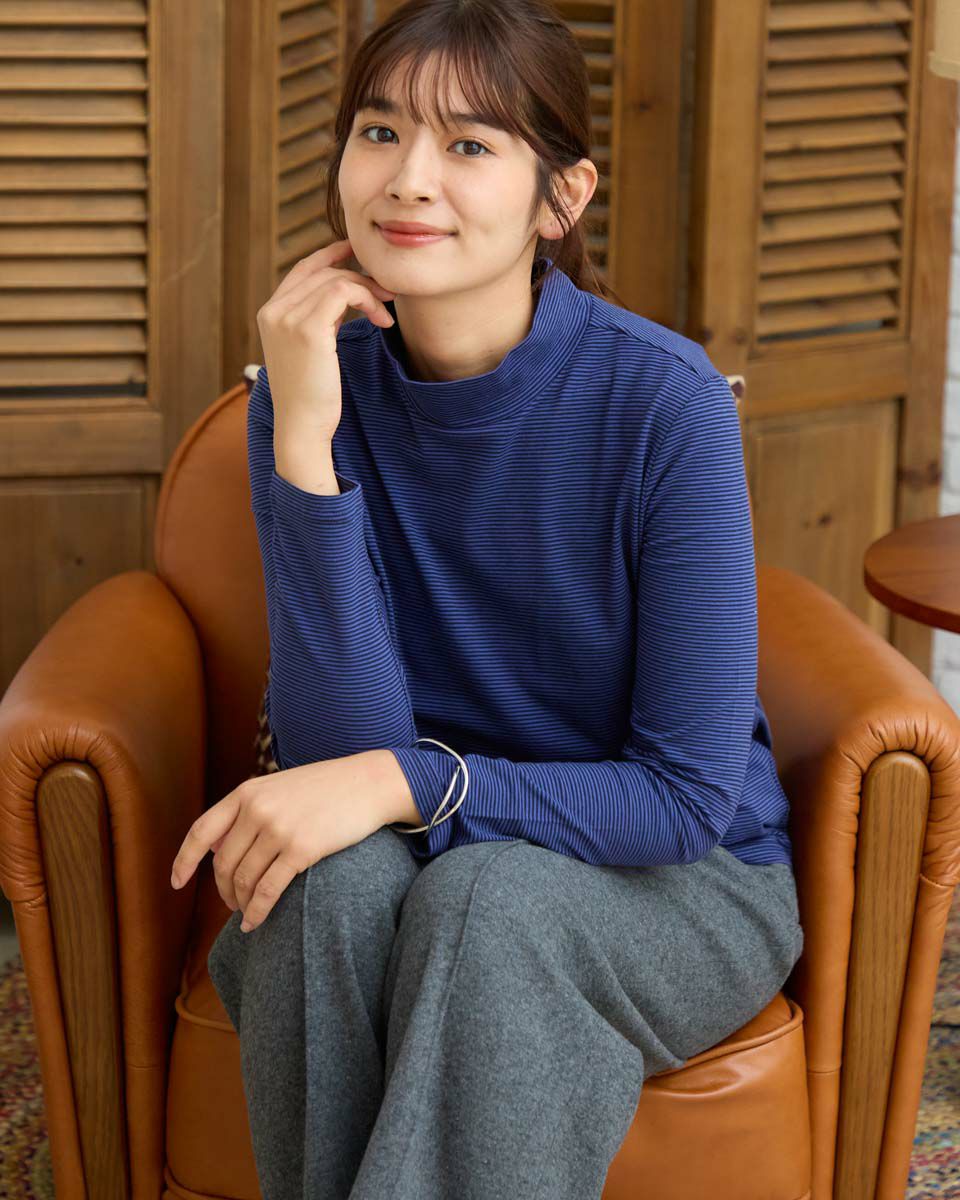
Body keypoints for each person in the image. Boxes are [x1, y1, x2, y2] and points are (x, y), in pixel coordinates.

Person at [202, 1, 804, 1196]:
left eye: (469, 144)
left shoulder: (665, 401)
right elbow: (341, 757)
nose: (408, 179)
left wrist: (412, 784)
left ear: (560, 198)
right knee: (324, 888)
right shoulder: (309, 394)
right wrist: (307, 440)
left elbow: (684, 800)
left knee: (492, 905)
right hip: (426, 854)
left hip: (679, 882)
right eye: (379, 132)